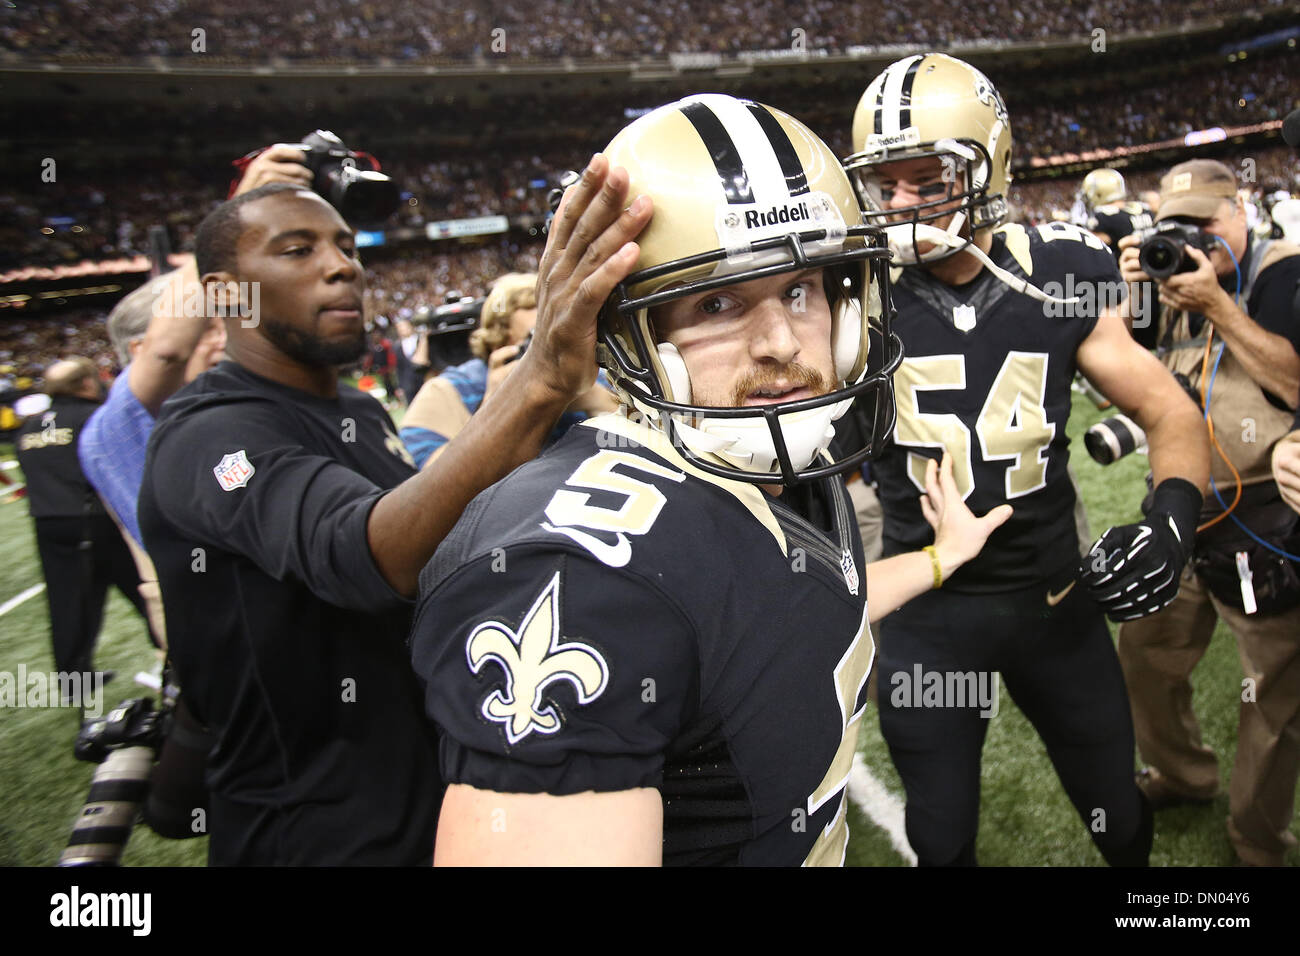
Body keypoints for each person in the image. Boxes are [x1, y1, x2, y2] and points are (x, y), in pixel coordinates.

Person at [411, 94, 1012, 866]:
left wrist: (939, 557)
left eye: (800, 290)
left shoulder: (771, 458)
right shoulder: (579, 576)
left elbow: (788, 610)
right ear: (632, 332)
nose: (781, 345)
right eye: (717, 302)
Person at [136, 171, 652, 865]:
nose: (341, 264)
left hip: (425, 791)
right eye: (297, 250)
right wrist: (540, 380)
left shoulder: (355, 411)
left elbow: (443, 549)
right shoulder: (208, 433)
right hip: (314, 834)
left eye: (345, 245)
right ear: (227, 293)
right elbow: (367, 558)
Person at [841, 53, 1210, 866]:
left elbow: (1168, 411)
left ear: (991, 167)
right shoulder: (852, 292)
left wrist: (1171, 521)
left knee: (1115, 806)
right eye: (884, 184)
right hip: (926, 610)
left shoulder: (1061, 272)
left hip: (1055, 600)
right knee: (941, 834)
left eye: (925, 180)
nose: (900, 205)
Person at [1114, 158, 1300, 866]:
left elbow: (1292, 379)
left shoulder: (1282, 272)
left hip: (1264, 522)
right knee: (1147, 659)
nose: (1193, 239)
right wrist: (1133, 288)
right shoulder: (1165, 281)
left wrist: (1220, 304)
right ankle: (1184, 775)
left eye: (1206, 222)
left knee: (1272, 700)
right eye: (1176, 224)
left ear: (1242, 211)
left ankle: (1257, 844)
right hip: (1179, 510)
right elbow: (1121, 379)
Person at [15, 357, 156, 686]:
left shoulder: (31, 426)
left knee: (66, 601)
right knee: (148, 588)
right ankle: (175, 651)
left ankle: (72, 678)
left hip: (48, 521)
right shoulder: (93, 418)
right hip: (97, 520)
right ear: (88, 384)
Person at [400, 272, 618, 469]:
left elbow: (644, 442)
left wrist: (595, 400)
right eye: (533, 342)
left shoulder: (593, 378)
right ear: (497, 342)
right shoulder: (446, 392)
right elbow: (431, 492)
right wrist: (496, 410)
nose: (549, 355)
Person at [1076, 168, 1154, 260]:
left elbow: (1089, 250)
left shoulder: (1102, 216)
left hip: (1125, 269)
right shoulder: (1144, 209)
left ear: (1099, 193)